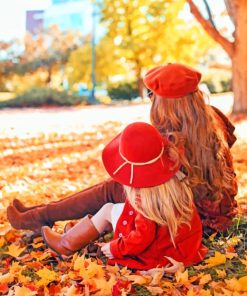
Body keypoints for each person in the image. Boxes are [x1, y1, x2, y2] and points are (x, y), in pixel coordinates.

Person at [7, 63, 237, 234]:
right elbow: (230, 143)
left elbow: (154, 182)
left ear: (164, 103)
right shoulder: (214, 117)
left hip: (188, 216)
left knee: (112, 189)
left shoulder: (170, 136)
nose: (150, 99)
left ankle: (40, 216)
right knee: (115, 189)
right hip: (219, 208)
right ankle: (39, 213)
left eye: (152, 95)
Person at [41, 122, 208, 270]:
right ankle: (80, 235)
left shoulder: (144, 202)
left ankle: (67, 244)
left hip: (158, 252)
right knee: (110, 210)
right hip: (180, 247)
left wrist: (116, 248)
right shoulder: (174, 181)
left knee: (107, 210)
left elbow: (142, 238)